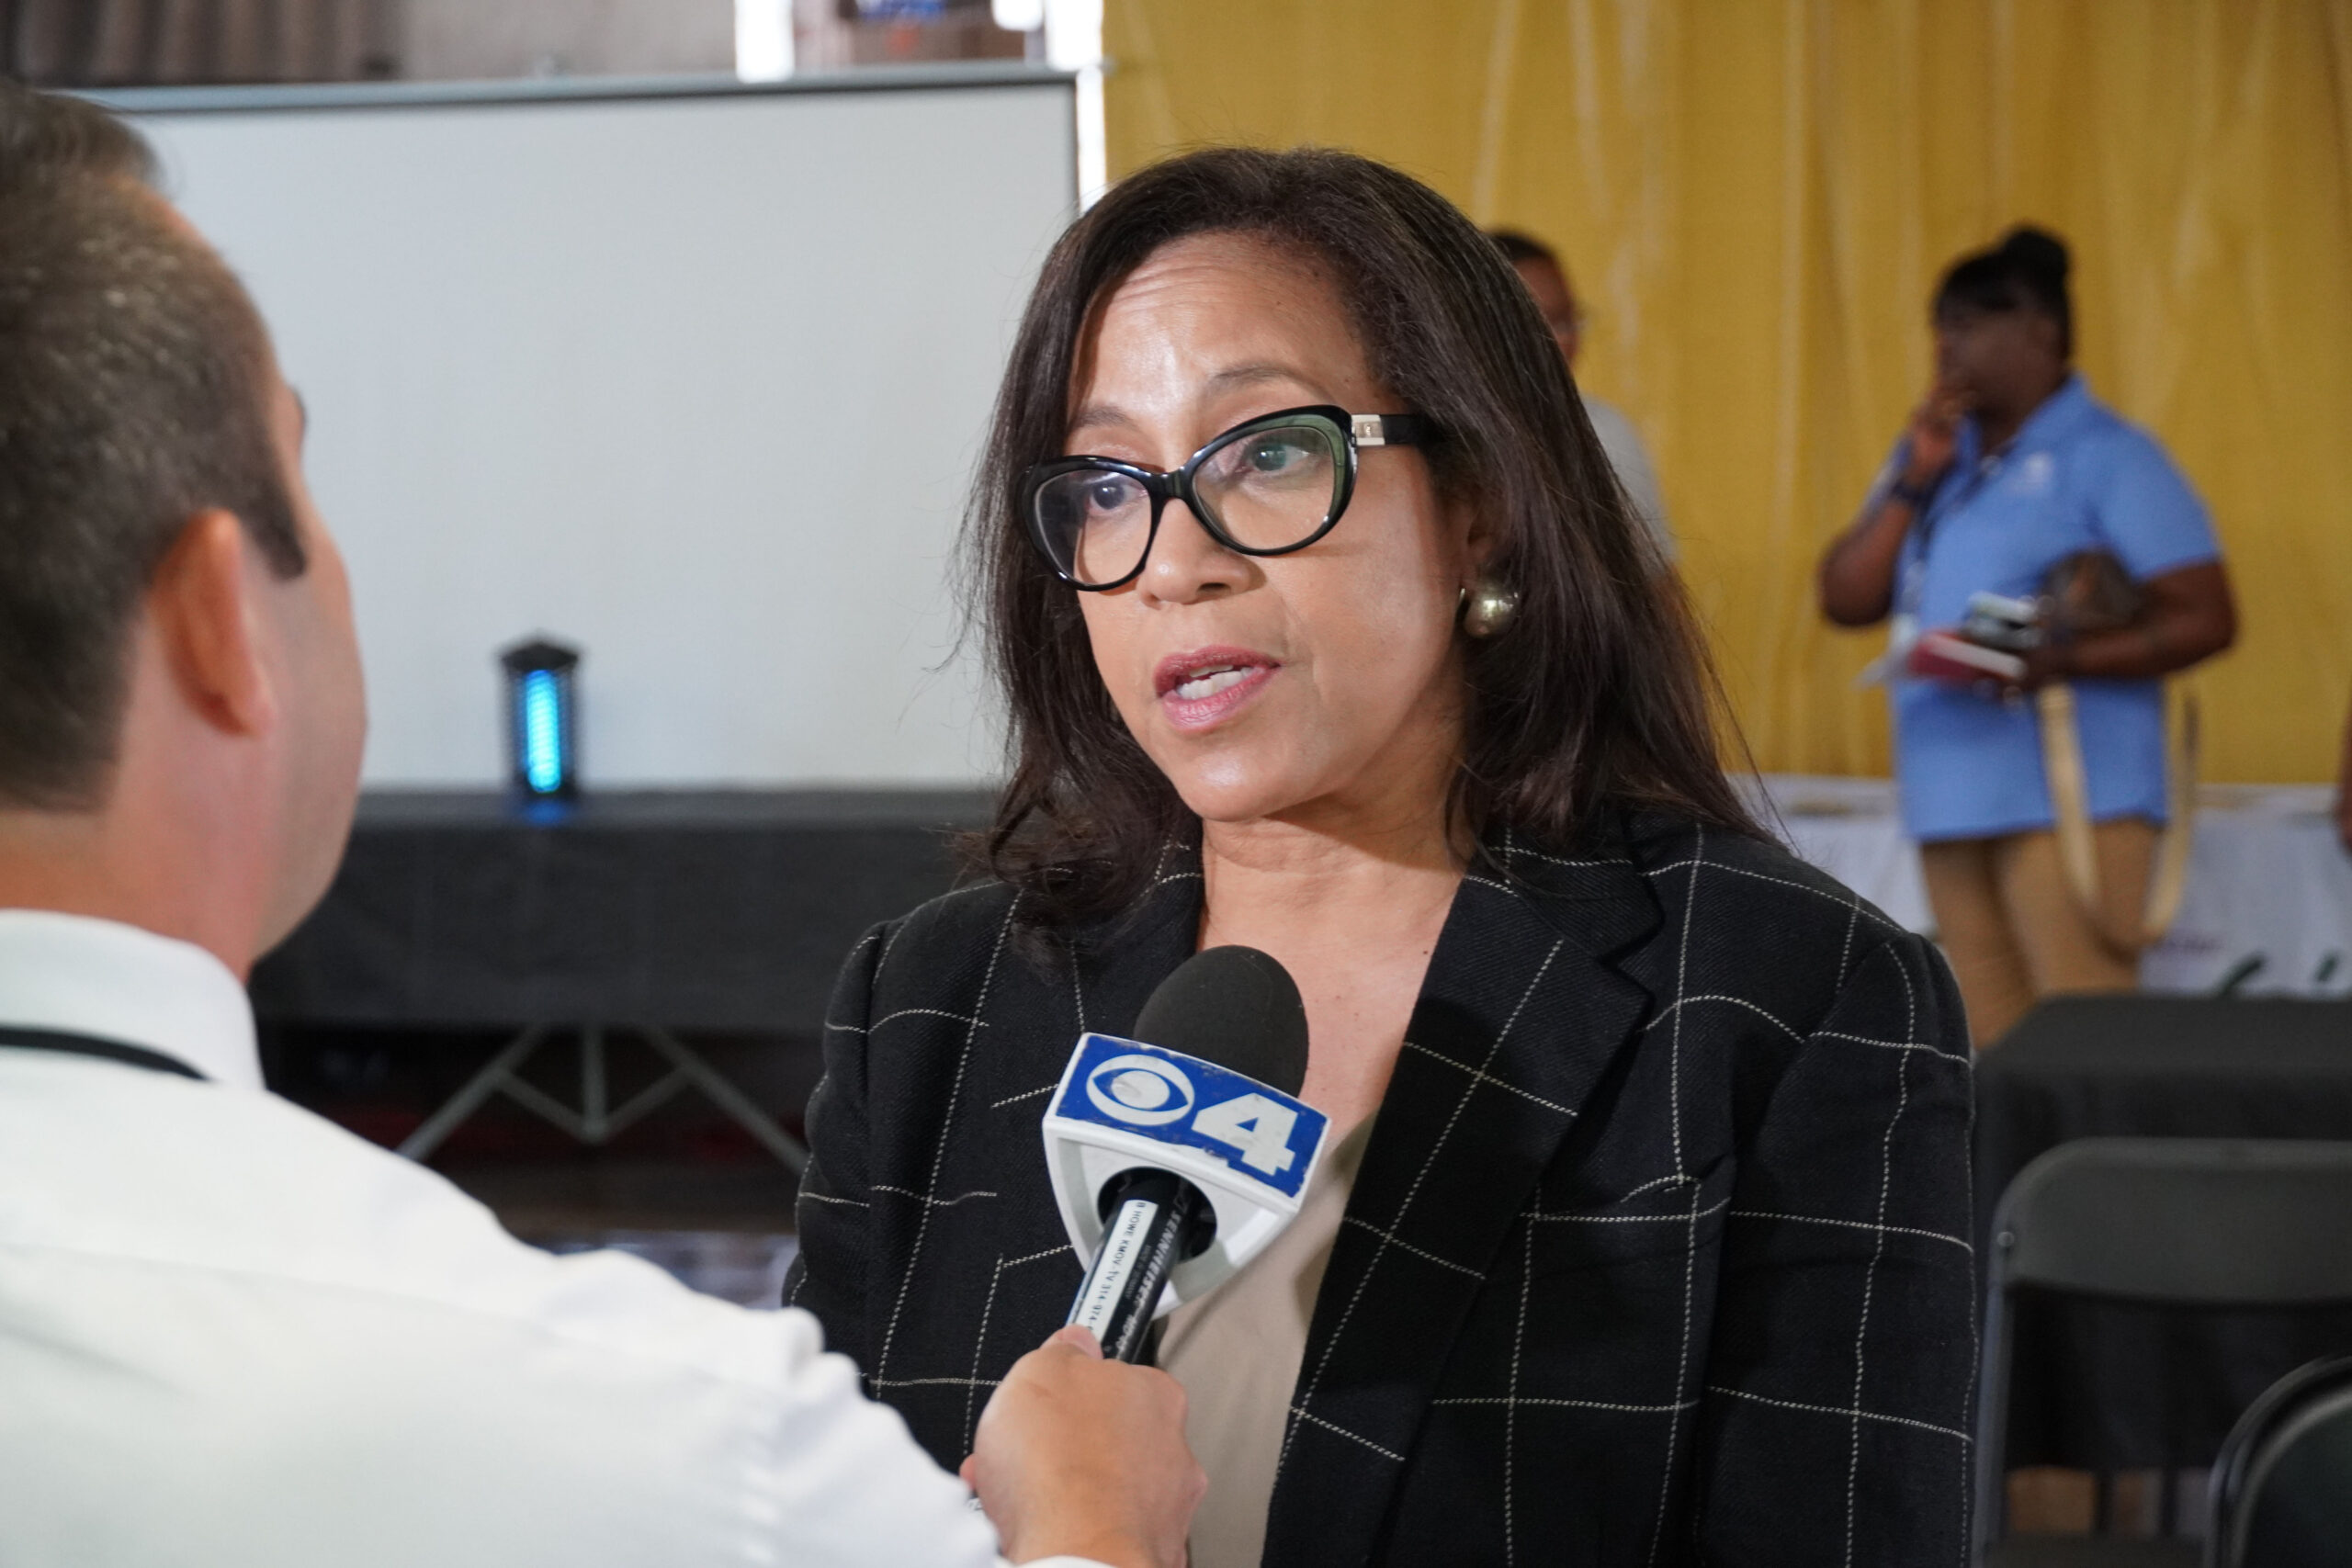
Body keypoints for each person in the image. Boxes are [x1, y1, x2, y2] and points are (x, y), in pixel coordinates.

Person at [0, 80, 1201, 1568]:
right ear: (218, 619)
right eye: (305, 473)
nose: (1184, 560)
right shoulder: (679, 1447)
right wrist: (1090, 1524)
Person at [786, 147, 1975, 1566]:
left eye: (1268, 452)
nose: (1173, 560)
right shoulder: (932, 1003)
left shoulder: (1787, 1000)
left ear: (1478, 500)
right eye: (1106, 484)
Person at [1817, 226, 2235, 1047]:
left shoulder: (2109, 456)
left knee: (2083, 1041)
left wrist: (2058, 660)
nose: (1945, 346)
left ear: (2040, 331)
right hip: (1950, 789)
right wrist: (1914, 477)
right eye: (1939, 326)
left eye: (1968, 324)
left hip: (2070, 793)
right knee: (1990, 1051)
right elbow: (1846, 597)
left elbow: (2205, 615)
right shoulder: (1938, 455)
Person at [1489, 227, 1675, 565]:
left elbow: (1656, 580)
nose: (1564, 341)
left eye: (1567, 321)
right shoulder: (1444, 438)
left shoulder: (1605, 430)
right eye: (1538, 324)